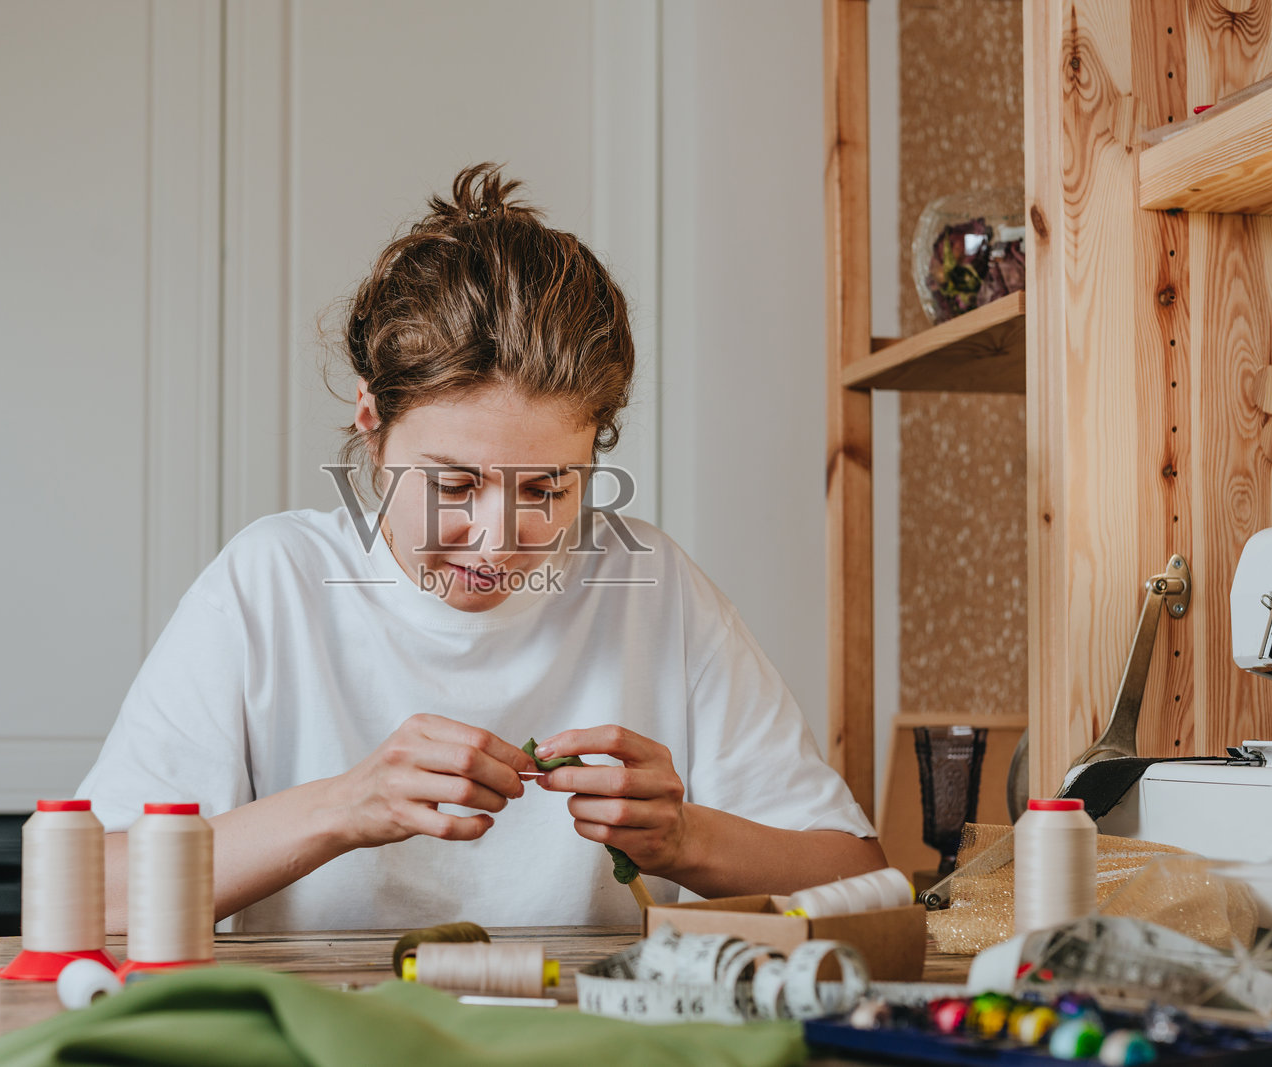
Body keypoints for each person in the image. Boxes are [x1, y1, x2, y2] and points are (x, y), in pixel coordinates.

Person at [76, 163, 885, 932]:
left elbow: (862, 881)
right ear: (372, 424)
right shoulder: (269, 585)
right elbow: (91, 893)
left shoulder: (655, 589)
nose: (499, 542)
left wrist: (685, 840)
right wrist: (346, 805)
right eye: (455, 486)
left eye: (546, 490)